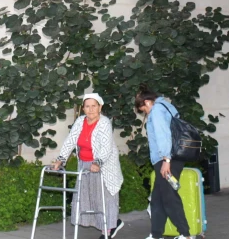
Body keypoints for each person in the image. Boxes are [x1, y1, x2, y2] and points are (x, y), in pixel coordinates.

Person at [50, 93, 125, 239]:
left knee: (105, 197)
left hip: (103, 165)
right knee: (89, 197)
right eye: (87, 106)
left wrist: (98, 162)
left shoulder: (104, 123)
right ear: (83, 108)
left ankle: (108, 229)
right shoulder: (80, 121)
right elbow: (70, 141)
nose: (90, 110)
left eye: (94, 106)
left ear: (100, 107)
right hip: (84, 164)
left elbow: (106, 147)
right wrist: (60, 159)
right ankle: (110, 221)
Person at [136, 88, 192, 239]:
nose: (145, 113)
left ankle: (185, 234)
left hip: (167, 159)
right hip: (171, 157)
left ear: (147, 102)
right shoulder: (167, 106)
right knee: (158, 199)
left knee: (168, 197)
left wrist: (166, 160)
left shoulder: (157, 111)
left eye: (143, 109)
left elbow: (163, 136)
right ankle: (156, 235)